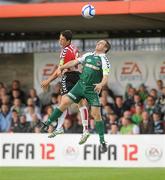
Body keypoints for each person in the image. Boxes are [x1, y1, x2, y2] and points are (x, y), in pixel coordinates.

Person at [42, 39, 111, 153]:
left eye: (101, 43)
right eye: (98, 42)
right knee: (64, 103)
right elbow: (74, 62)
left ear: (105, 48)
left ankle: (102, 142)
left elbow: (105, 77)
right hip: (80, 85)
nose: (98, 43)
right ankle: (47, 123)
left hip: (91, 89)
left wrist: (101, 84)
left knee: (96, 115)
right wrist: (62, 67)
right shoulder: (88, 55)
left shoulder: (104, 60)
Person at [41, 30, 89, 144]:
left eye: (62, 39)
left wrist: (48, 81)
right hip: (79, 76)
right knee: (80, 103)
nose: (60, 41)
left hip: (68, 77)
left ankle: (58, 127)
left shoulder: (65, 51)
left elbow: (59, 70)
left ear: (68, 40)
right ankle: (85, 130)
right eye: (59, 38)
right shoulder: (74, 48)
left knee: (63, 103)